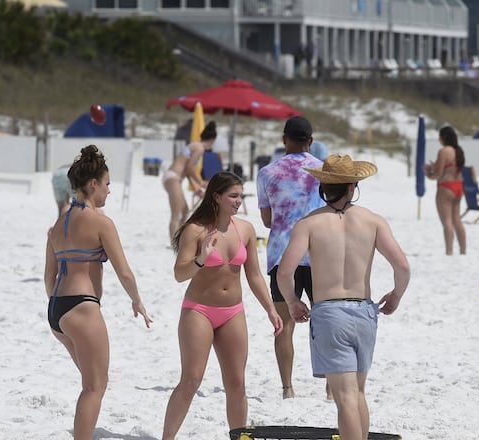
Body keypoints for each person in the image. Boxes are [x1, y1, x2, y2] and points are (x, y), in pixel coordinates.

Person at [276, 154, 411, 440]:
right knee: (358, 392)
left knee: (345, 397)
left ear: (323, 187)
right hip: (364, 310)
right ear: (353, 187)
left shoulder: (309, 223)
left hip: (330, 312)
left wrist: (292, 301)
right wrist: (397, 295)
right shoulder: (373, 221)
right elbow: (402, 266)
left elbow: (285, 271)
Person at [162, 171, 283, 438]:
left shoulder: (246, 229)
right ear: (216, 197)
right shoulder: (195, 230)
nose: (239, 201)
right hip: (199, 311)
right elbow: (179, 274)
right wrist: (200, 259)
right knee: (191, 379)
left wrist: (270, 308)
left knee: (237, 383)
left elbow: (253, 275)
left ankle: (238, 436)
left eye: (241, 195)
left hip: (233, 312)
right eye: (233, 196)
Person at [44, 145, 152, 439]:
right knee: (94, 387)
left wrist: (63, 307)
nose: (109, 192)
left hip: (57, 311)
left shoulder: (57, 226)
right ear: (93, 185)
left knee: (92, 382)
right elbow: (124, 271)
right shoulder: (101, 223)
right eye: (106, 185)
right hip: (82, 307)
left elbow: (48, 279)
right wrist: (137, 301)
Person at [256, 116, 326, 399]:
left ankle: (287, 388)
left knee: (283, 326)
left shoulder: (267, 172)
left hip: (282, 256)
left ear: (284, 139)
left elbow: (267, 220)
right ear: (310, 141)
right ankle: (332, 387)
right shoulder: (324, 170)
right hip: (319, 253)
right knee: (326, 322)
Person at [162, 121, 217, 245]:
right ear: (212, 140)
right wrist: (201, 182)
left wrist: (197, 187)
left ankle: (179, 239)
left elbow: (187, 169)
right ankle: (173, 243)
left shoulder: (194, 145)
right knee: (176, 213)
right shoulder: (200, 148)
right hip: (173, 178)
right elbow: (190, 168)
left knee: (185, 210)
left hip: (173, 177)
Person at [423, 125, 466, 255]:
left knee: (447, 220)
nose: (438, 139)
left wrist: (428, 172)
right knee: (457, 219)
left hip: (446, 187)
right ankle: (463, 250)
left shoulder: (444, 151)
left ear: (444, 137)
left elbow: (437, 174)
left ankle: (449, 251)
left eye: (439, 136)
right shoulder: (458, 151)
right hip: (459, 186)